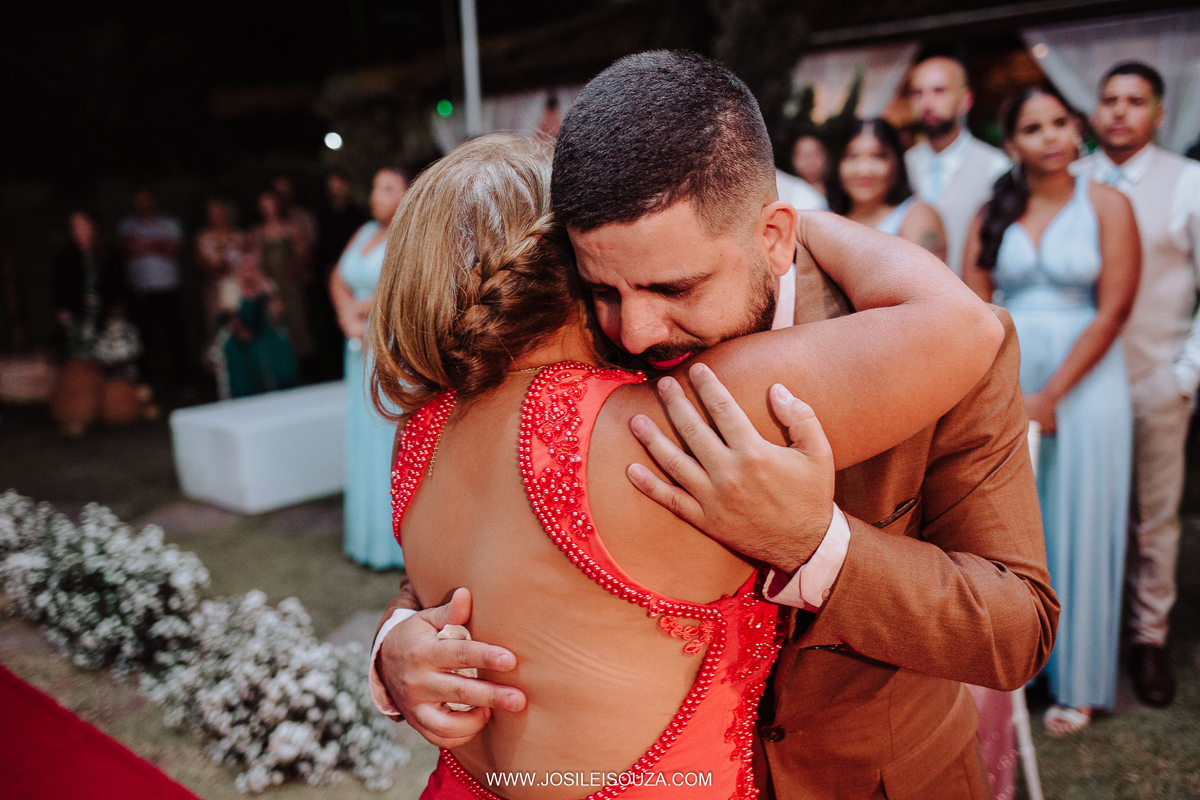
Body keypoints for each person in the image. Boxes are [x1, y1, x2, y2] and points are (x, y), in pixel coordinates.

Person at [375, 52, 1057, 800]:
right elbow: (487, 547)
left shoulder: (927, 348)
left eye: (676, 287)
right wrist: (396, 644)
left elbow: (1017, 628)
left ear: (772, 237)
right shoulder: (589, 348)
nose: (634, 333)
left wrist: (817, 547)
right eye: (602, 290)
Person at [962, 85, 1141, 735]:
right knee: (1010, 529)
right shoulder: (993, 211)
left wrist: (1052, 396)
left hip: (1087, 386)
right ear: (1012, 143)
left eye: (1060, 122)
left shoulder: (1109, 205)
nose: (1051, 136)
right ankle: (1019, 672)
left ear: (1077, 128)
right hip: (1006, 380)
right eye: (1033, 127)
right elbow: (971, 308)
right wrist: (1008, 393)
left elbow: (1115, 307)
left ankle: (1083, 682)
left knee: (1085, 522)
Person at [1075, 61, 1200, 708]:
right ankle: (1082, 636)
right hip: (1078, 385)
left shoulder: (1190, 183)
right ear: (1095, 110)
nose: (1120, 111)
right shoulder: (1070, 180)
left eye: (1135, 101)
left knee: (1153, 519)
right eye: (1110, 98)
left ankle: (1147, 639)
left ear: (1157, 113)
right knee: (1084, 512)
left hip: (1154, 376)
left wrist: (1187, 374)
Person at [330, 165, 408, 569]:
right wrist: (346, 314)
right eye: (376, 187)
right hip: (357, 346)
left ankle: (396, 545)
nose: (377, 195)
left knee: (387, 436)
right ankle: (365, 538)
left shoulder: (409, 234)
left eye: (387, 188)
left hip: (390, 347)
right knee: (363, 435)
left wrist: (359, 309)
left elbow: (402, 287)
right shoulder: (363, 233)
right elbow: (336, 277)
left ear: (406, 193)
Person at [905, 55, 1011, 276]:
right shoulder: (902, 166)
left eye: (939, 91)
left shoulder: (996, 166)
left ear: (965, 100)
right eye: (918, 93)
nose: (927, 103)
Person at [828, 118, 947, 259]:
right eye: (852, 156)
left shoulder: (916, 215)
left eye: (878, 156)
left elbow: (927, 279)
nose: (864, 170)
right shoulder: (827, 217)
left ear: (896, 163)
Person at [118, 186, 194, 394]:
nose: (143, 204)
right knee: (141, 339)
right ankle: (142, 385)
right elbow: (130, 247)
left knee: (175, 337)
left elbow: (172, 251)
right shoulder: (127, 225)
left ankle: (184, 381)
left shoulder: (170, 223)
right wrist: (158, 244)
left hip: (168, 288)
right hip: (140, 290)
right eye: (139, 200)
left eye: (146, 199)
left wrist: (144, 245)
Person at [208, 251, 297, 399]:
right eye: (245, 267)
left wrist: (268, 294)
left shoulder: (266, 284)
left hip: (264, 331)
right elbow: (231, 318)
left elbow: (277, 314)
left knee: (279, 346)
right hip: (238, 336)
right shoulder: (230, 286)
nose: (248, 270)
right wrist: (242, 331)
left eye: (252, 267)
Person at [313, 170, 368, 379]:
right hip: (335, 275)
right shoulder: (324, 215)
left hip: (357, 283)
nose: (336, 189)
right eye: (332, 185)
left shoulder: (357, 217)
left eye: (339, 184)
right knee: (333, 325)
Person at [253, 189, 314, 360]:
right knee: (274, 323)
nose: (268, 208)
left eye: (270, 204)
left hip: (290, 282)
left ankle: (305, 362)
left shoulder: (291, 228)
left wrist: (295, 271)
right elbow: (257, 261)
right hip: (270, 286)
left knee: (298, 322)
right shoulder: (258, 232)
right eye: (264, 205)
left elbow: (304, 255)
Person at [195, 198, 249, 340]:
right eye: (213, 213)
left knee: (239, 324)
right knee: (217, 328)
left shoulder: (238, 236)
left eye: (220, 212)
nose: (217, 216)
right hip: (214, 289)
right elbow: (200, 264)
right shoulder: (203, 237)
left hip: (236, 287)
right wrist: (213, 267)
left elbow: (246, 261)